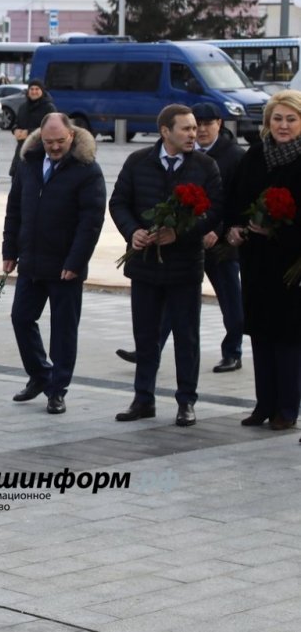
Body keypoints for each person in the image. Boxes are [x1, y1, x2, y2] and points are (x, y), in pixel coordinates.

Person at [109, 104, 221, 427]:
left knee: (186, 337)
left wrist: (180, 232)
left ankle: (186, 401)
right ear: (165, 132)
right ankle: (143, 399)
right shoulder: (138, 162)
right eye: (186, 128)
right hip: (145, 266)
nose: (194, 133)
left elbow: (214, 211)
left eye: (195, 127)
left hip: (185, 266)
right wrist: (133, 232)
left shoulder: (205, 165)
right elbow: (118, 202)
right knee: (145, 336)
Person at [115, 103, 246, 371]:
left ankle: (232, 350)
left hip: (218, 244)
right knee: (167, 306)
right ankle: (149, 350)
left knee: (230, 299)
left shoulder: (230, 156)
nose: (199, 131)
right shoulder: (169, 156)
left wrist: (217, 230)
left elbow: (230, 201)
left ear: (219, 125)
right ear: (168, 131)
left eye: (206, 125)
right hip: (178, 245)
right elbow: (127, 200)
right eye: (193, 125)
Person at [2, 114, 106, 414]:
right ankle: (40, 374)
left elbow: (91, 222)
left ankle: (57, 390)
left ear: (71, 136)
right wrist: (10, 250)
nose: (55, 147)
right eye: (49, 142)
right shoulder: (29, 163)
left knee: (63, 330)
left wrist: (76, 261)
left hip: (65, 266)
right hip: (32, 261)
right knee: (21, 318)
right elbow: (15, 208)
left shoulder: (87, 169)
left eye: (60, 141)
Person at [225, 90, 301, 432]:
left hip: (291, 264)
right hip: (255, 260)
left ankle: (287, 407)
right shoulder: (255, 155)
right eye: (278, 118)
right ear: (268, 121)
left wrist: (279, 234)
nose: (283, 126)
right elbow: (234, 200)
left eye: (291, 119)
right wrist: (235, 229)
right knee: (260, 332)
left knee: (287, 337)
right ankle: (263, 403)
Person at [10, 81, 57, 175]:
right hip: (21, 150)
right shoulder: (23, 107)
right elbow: (16, 123)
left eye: (37, 89)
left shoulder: (49, 108)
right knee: (17, 179)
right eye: (31, 89)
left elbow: (52, 128)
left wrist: (29, 133)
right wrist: (15, 130)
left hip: (39, 152)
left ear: (42, 91)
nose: (34, 91)